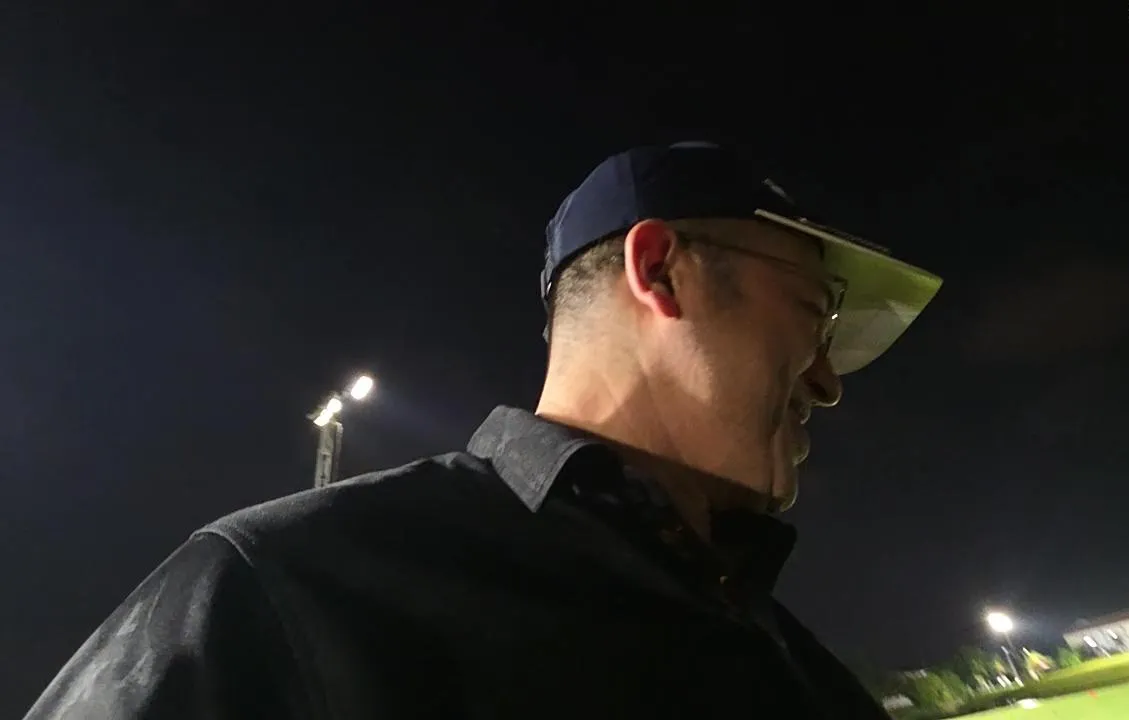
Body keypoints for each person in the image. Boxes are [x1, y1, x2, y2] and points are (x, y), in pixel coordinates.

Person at [25, 142, 941, 719]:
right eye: (815, 314)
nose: (829, 383)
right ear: (661, 270)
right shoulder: (277, 590)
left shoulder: (785, 650)